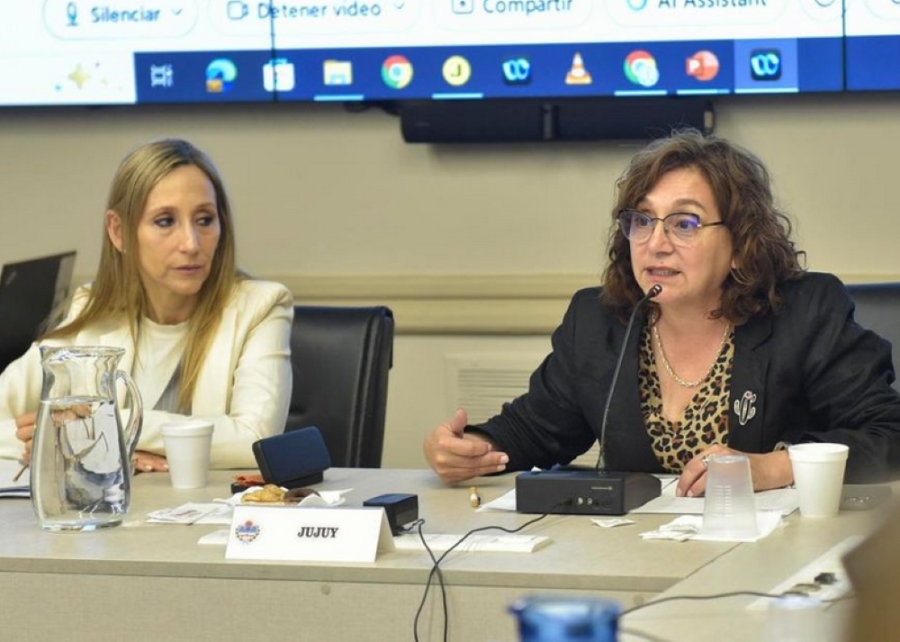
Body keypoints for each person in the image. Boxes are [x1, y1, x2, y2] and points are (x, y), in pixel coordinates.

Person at [424, 129, 900, 496]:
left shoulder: (803, 313)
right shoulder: (599, 320)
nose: (656, 243)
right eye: (642, 221)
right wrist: (471, 448)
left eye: (684, 223)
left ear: (740, 244)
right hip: (639, 554)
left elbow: (889, 435)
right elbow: (535, 429)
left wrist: (771, 468)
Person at [0, 138, 293, 471]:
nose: (191, 243)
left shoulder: (261, 306)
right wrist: (84, 442)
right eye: (165, 221)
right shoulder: (91, 309)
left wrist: (109, 425)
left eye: (204, 219)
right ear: (119, 232)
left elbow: (256, 440)